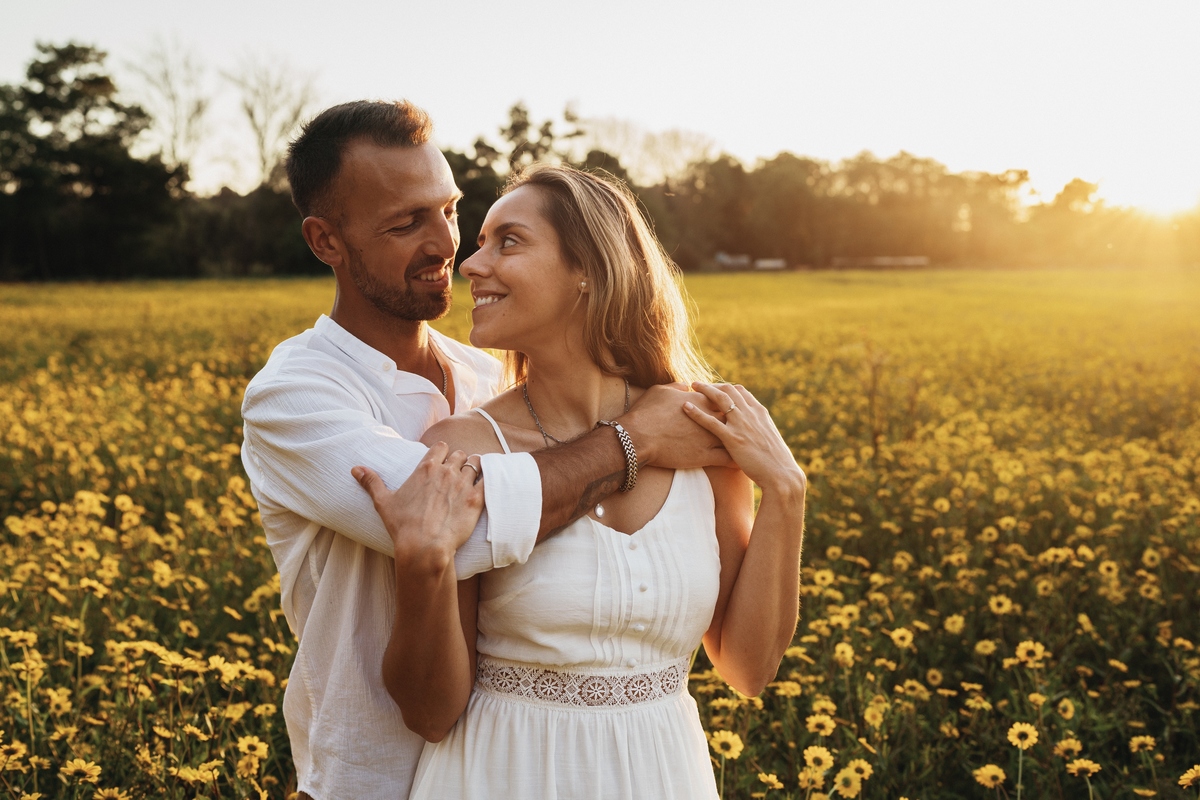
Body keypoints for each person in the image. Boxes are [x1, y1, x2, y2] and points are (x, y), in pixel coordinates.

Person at [239, 101, 730, 800]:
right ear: (327, 242)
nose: (449, 246)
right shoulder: (295, 395)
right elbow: (470, 528)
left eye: (447, 209)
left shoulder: (487, 373)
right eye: (406, 223)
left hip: (513, 762)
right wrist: (636, 439)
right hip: (369, 777)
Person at [355, 164, 807, 798]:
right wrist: (423, 564)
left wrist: (786, 492)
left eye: (507, 241)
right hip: (500, 776)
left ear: (589, 269)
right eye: (480, 242)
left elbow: (749, 668)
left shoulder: (703, 439)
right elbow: (431, 713)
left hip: (663, 776)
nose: (472, 265)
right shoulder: (463, 449)